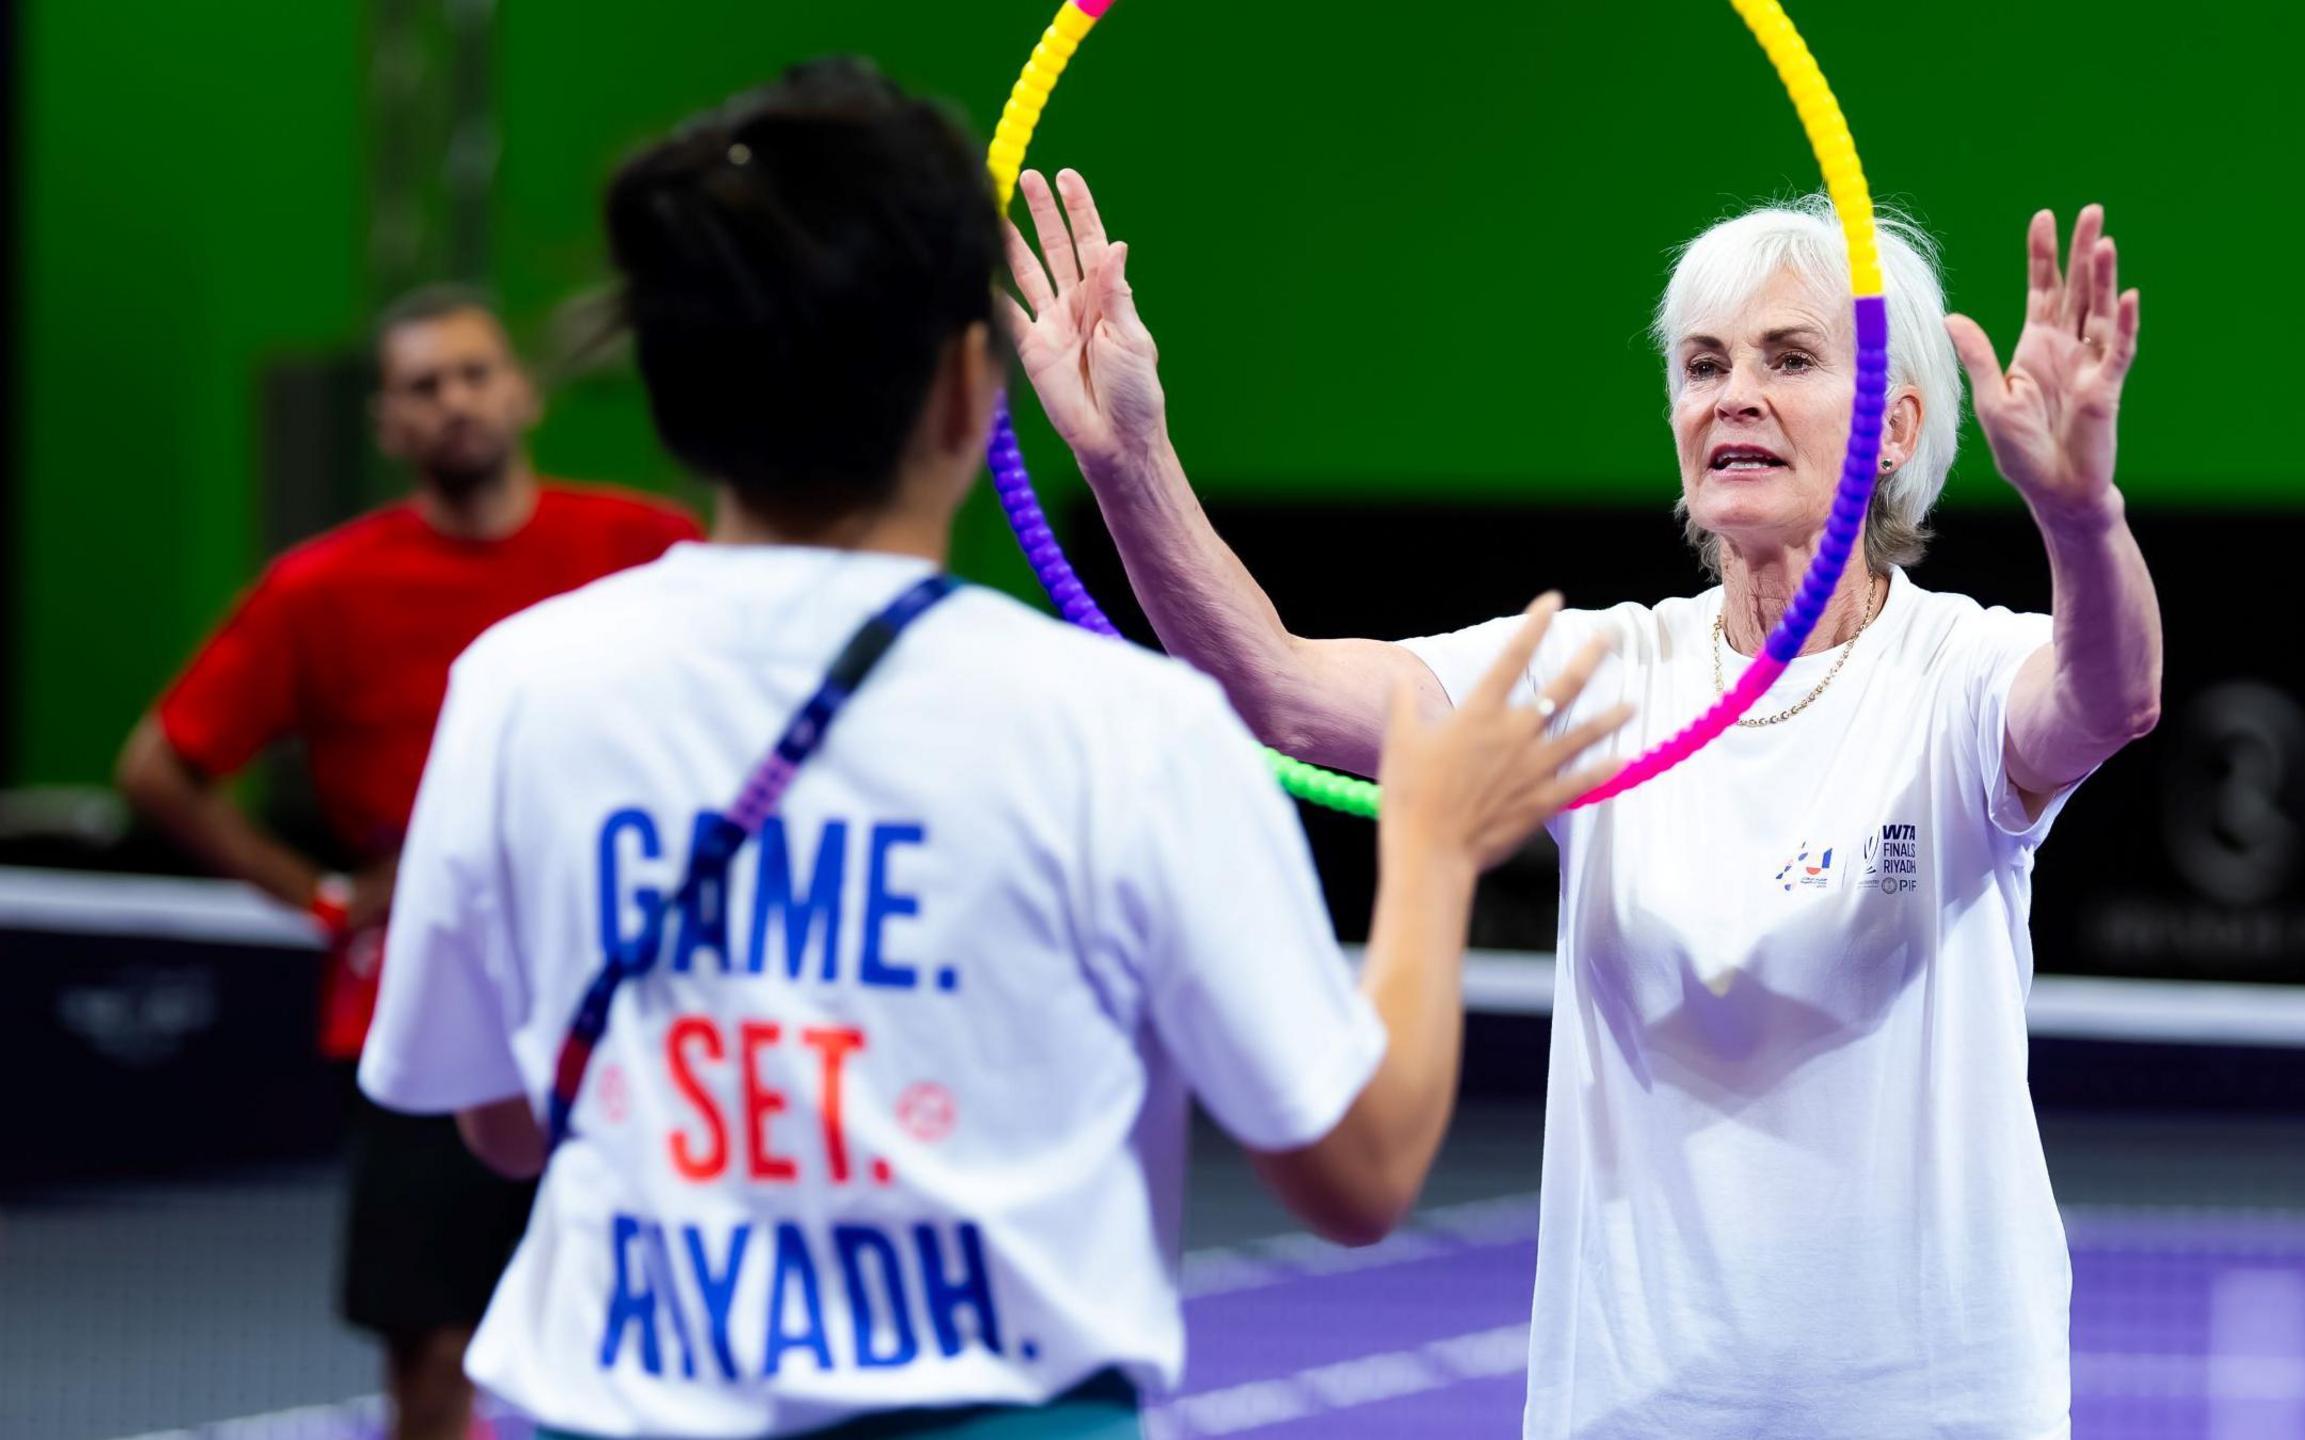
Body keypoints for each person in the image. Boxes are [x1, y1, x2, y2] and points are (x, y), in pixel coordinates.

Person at [354, 58, 1623, 1440]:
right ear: (970, 387)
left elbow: (501, 1125)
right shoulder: (1118, 731)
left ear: (676, 389)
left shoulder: (518, 692)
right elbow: (1363, 1171)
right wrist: (1433, 853)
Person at [1003, 166, 2165, 1437]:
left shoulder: (1956, 673)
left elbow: (2107, 698)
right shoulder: (1599, 677)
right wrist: (1128, 459)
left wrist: (2080, 516)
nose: (1734, 396)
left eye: (1787, 358)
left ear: (1893, 428)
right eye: (1703, 364)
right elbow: (1277, 690)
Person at [116, 285, 702, 1440]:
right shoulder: (319, 590)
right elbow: (158, 766)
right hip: (422, 1010)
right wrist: (324, 898)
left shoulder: (649, 546)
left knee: (663, 1322)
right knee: (433, 1349)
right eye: (423, 386)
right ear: (387, 423)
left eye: (476, 374)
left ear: (523, 393)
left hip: (635, 1002)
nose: (455, 402)